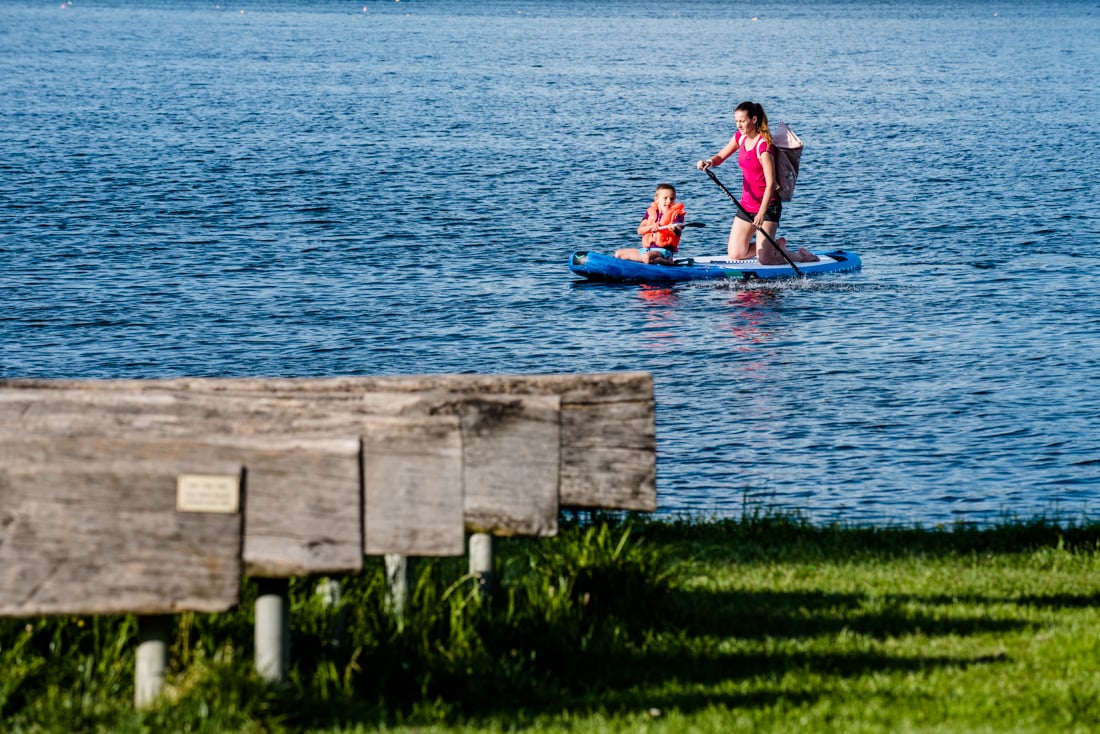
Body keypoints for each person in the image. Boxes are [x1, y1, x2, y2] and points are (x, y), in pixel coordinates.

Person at [696, 101, 818, 264]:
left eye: (742, 121)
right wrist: (709, 162)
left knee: (765, 259)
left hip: (768, 206)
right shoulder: (740, 137)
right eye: (737, 121)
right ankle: (774, 246)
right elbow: (720, 157)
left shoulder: (763, 147)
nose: (739, 125)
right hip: (747, 204)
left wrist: (761, 213)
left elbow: (771, 183)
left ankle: (801, 256)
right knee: (736, 253)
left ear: (754, 120)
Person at [614, 183, 686, 265]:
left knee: (646, 257)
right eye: (665, 198)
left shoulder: (676, 214)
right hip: (646, 249)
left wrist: (674, 229)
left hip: (663, 251)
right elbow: (640, 231)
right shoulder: (651, 212)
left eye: (671, 198)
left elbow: (679, 231)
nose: (669, 201)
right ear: (657, 199)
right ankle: (645, 261)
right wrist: (651, 227)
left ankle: (668, 261)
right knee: (618, 254)